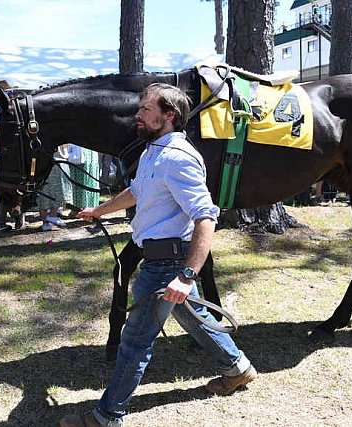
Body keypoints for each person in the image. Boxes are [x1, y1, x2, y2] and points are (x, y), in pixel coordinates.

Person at [61, 83, 257, 427]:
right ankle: (237, 369)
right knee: (195, 320)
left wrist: (186, 276)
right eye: (140, 108)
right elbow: (137, 191)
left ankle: (106, 416)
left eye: (147, 110)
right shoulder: (154, 151)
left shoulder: (177, 159)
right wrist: (99, 211)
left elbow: (206, 217)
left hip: (168, 264)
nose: (138, 115)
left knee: (134, 342)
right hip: (161, 258)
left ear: (169, 116)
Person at [0, 80, 25, 231]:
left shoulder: (17, 105)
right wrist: (7, 127)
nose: (10, 94)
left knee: (17, 187)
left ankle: (17, 219)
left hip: (12, 153)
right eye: (6, 92)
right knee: (1, 188)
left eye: (10, 92)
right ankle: (1, 222)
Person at [37, 144, 72, 231]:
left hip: (59, 159)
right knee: (44, 190)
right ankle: (45, 221)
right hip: (44, 160)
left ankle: (53, 215)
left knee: (59, 190)